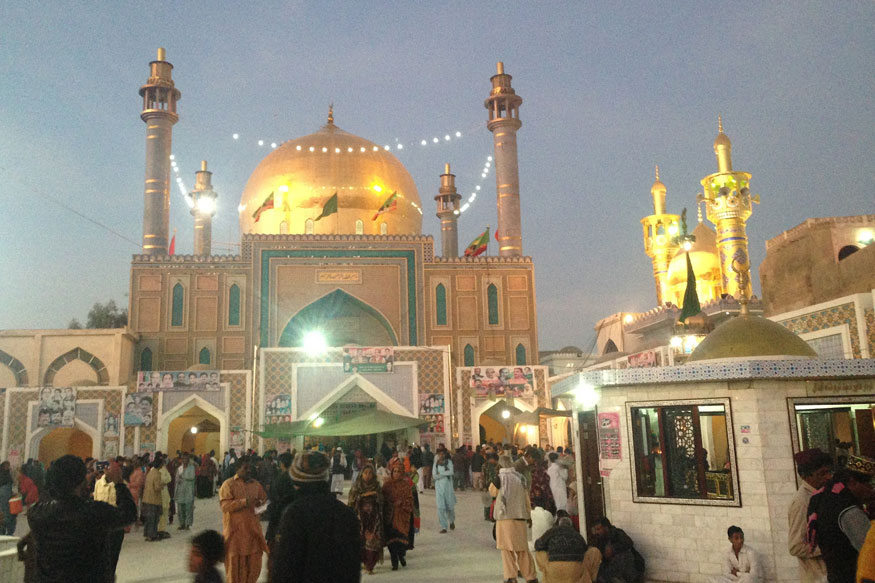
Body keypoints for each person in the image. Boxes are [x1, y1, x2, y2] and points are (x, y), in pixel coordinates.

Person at [27, 454, 136, 582]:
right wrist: (119, 483)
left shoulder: (36, 514)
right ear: (81, 482)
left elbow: (62, 501)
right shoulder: (94, 513)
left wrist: (80, 483)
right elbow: (129, 514)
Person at [270, 450, 361, 582]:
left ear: (296, 481)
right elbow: (353, 568)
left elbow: (285, 568)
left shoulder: (294, 514)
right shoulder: (346, 513)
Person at [807, 455, 875, 583]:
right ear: (852, 482)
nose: (872, 490)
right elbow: (870, 551)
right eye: (869, 485)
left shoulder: (824, 497)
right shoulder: (848, 510)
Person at [489, 454, 537, 583]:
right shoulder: (520, 478)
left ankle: (511, 577)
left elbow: (492, 492)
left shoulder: (499, 478)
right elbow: (527, 499)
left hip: (504, 519)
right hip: (520, 517)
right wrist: (529, 516)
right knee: (522, 550)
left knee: (506, 550)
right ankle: (530, 576)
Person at [219, 456, 268, 583]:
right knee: (234, 573)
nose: (248, 471)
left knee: (253, 570)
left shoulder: (256, 485)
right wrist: (244, 502)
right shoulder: (228, 484)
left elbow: (265, 503)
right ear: (237, 469)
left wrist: (260, 508)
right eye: (245, 468)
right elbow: (225, 506)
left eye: (250, 468)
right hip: (235, 536)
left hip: (252, 535)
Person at [789, 448, 832, 583]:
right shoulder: (802, 502)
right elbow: (795, 546)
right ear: (806, 476)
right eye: (821, 474)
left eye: (828, 472)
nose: (828, 477)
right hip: (817, 576)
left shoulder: (823, 494)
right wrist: (830, 548)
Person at [535, 510, 602, 583]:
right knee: (594, 551)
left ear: (559, 524)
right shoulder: (577, 534)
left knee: (539, 553)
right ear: (571, 525)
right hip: (574, 571)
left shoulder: (552, 531)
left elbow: (537, 545)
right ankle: (592, 579)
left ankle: (549, 578)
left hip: (554, 570)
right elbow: (584, 550)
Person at [93, 462, 128, 575]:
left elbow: (125, 504)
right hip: (101, 526)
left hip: (115, 527)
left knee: (113, 555)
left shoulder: (122, 485)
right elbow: (95, 501)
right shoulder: (98, 484)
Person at [348, 463, 384, 574]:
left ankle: (370, 566)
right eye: (365, 473)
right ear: (362, 474)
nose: (368, 475)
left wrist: (376, 495)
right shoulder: (357, 486)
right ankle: (364, 562)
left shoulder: (377, 486)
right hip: (360, 518)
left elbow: (382, 500)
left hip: (374, 518)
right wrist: (363, 496)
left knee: (373, 539)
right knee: (361, 540)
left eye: (370, 473)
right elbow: (351, 501)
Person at [591, 516, 645, 583]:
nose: (597, 532)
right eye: (595, 530)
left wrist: (613, 549)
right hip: (613, 570)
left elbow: (628, 543)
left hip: (631, 569)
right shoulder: (600, 539)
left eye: (599, 529)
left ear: (606, 528)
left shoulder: (617, 533)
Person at [383, 464, 415, 570]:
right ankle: (394, 563)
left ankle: (401, 556)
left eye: (398, 472)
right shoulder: (387, 485)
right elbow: (382, 500)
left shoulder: (406, 485)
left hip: (402, 517)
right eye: (395, 471)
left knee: (401, 541)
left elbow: (410, 500)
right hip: (390, 517)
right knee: (392, 541)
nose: (396, 474)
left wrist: (402, 503)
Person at [265, 451, 295, 548]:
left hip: (279, 518)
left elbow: (274, 499)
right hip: (293, 517)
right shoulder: (297, 479)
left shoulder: (281, 479)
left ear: (281, 463)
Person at [433, 447, 457, 533]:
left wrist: (441, 474)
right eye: (439, 454)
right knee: (440, 507)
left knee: (450, 507)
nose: (441, 455)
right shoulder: (436, 463)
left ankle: (451, 521)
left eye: (442, 453)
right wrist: (443, 474)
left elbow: (451, 472)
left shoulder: (448, 462)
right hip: (439, 488)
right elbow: (434, 476)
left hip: (448, 487)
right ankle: (444, 526)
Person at [142, 457, 165, 541]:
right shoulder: (157, 474)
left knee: (148, 519)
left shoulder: (150, 473)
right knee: (154, 519)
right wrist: (162, 485)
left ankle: (147, 535)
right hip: (154, 499)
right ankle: (152, 535)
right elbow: (157, 487)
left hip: (146, 498)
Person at [176, 452, 197, 530]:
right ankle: (182, 524)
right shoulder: (179, 468)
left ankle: (188, 524)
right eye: (183, 459)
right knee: (180, 508)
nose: (184, 460)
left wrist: (183, 477)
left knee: (188, 508)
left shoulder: (192, 468)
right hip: (180, 490)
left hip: (188, 490)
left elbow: (192, 477)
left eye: (186, 459)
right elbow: (177, 478)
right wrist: (178, 480)